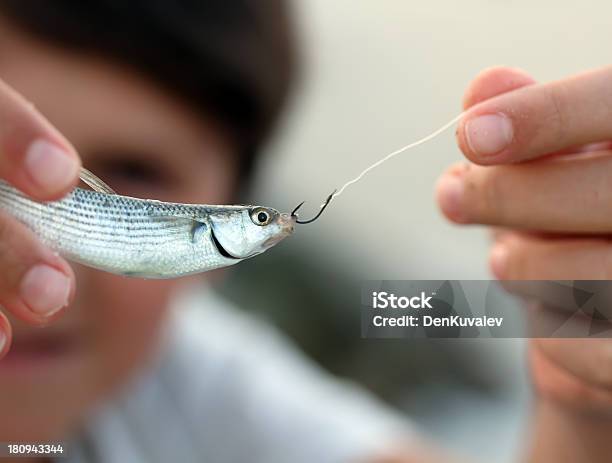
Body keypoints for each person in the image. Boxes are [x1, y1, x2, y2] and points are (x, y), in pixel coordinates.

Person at [0, 1, 609, 462]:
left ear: (230, 199)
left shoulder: (207, 387)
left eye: (137, 170)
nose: (42, 262)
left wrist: (584, 404)